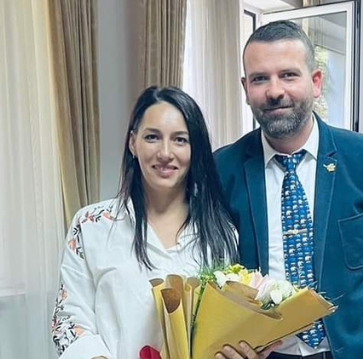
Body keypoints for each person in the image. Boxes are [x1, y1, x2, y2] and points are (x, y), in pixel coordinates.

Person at [214, 21, 363, 359]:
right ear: (245, 88)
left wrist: (362, 321)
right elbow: (215, 269)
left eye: (288, 75)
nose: (274, 91)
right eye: (260, 78)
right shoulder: (223, 169)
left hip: (354, 351)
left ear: (316, 82)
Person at [51, 86, 243, 359]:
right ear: (133, 143)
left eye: (180, 140)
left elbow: (228, 324)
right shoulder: (91, 225)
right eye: (152, 137)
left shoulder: (221, 233)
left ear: (195, 149)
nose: (165, 152)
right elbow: (69, 320)